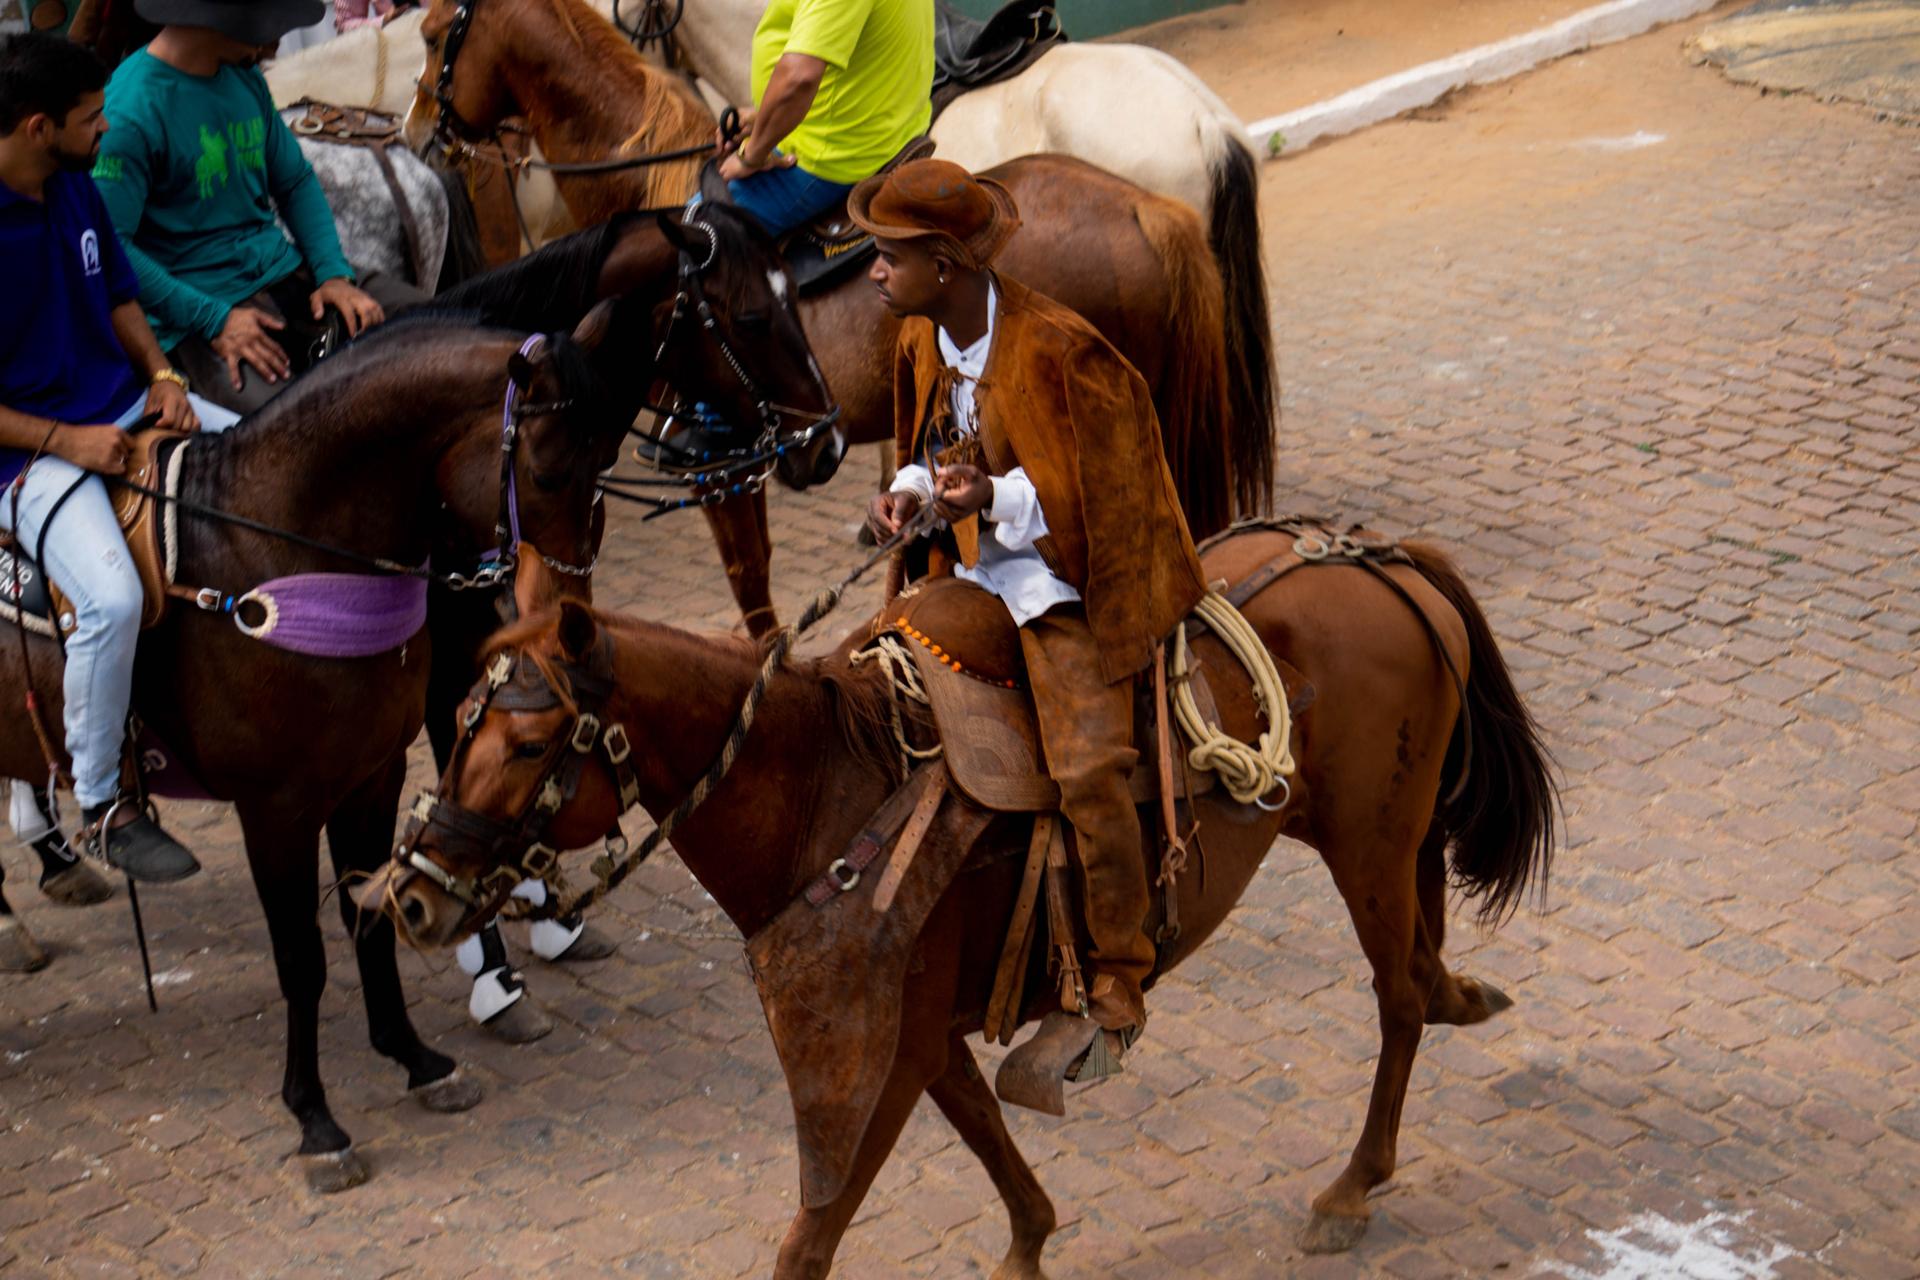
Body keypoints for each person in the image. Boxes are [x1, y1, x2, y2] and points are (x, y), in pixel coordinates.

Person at [853, 159, 1207, 1080]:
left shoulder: (1066, 353)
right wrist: (910, 492)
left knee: (1087, 766)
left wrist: (997, 498)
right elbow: (929, 444)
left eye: (890, 256)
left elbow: (1106, 501)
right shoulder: (922, 335)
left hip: (1067, 580)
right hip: (971, 565)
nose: (874, 271)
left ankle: (1121, 978)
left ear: (944, 264)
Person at [0, 31, 240, 891]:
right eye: (91, 117)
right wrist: (66, 441)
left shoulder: (74, 186)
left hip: (127, 407)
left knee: (267, 468)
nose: (106, 128)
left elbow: (119, 296)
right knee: (112, 600)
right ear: (38, 127)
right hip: (25, 460)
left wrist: (165, 375)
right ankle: (103, 802)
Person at [90, 0, 422, 415]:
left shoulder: (243, 77)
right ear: (217, 21)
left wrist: (333, 273)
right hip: (199, 312)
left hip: (282, 271)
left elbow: (294, 181)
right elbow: (112, 248)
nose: (276, 41)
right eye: (268, 25)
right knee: (299, 426)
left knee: (446, 328)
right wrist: (214, 319)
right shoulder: (131, 111)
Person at [715, 0, 932, 237]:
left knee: (701, 228)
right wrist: (768, 118)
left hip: (828, 155)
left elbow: (799, 79)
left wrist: (752, 155)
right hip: (882, 126)